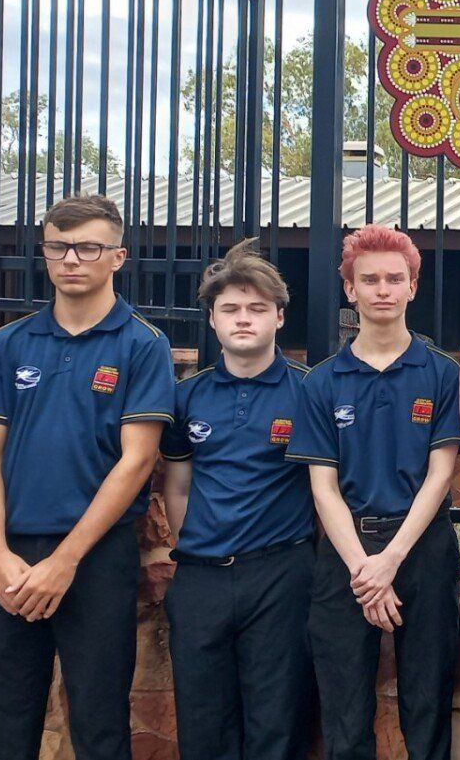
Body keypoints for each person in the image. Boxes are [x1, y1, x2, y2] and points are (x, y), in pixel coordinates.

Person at [0, 194, 175, 760]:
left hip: (94, 558)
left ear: (119, 256)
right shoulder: (11, 343)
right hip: (9, 557)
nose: (72, 259)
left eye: (88, 247)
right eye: (58, 246)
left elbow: (136, 463)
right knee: (9, 725)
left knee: (99, 723)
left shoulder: (143, 345)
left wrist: (65, 560)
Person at [287, 224, 460, 760]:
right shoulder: (321, 382)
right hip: (346, 553)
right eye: (370, 280)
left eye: (395, 278)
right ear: (350, 289)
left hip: (422, 547)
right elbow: (323, 486)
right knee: (344, 703)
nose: (383, 289)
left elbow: (441, 475)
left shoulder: (442, 374)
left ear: (413, 286)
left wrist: (391, 561)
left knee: (427, 697)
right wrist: (366, 568)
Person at [159, 239, 315, 760]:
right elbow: (176, 485)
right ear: (212, 320)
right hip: (200, 575)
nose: (243, 319)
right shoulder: (187, 397)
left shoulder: (310, 393)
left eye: (256, 309)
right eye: (230, 309)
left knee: (278, 718)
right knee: (203, 720)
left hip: (281, 573)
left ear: (279, 317)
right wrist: (191, 550)